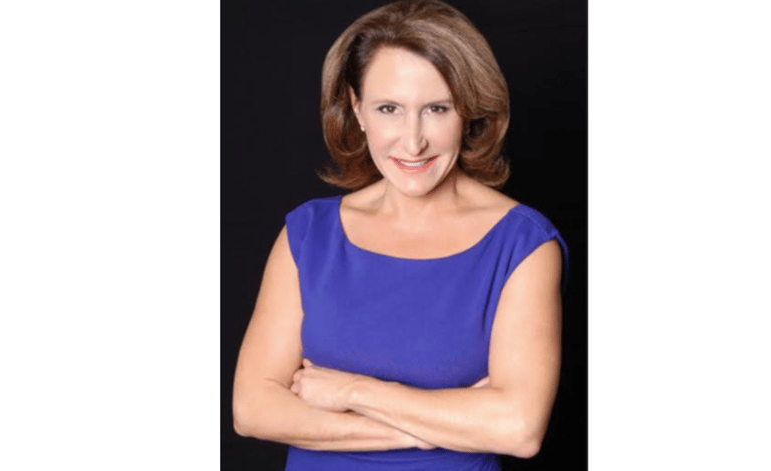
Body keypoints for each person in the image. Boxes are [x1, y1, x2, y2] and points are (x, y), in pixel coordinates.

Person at [232, 1, 568, 470]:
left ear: (468, 111)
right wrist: (431, 429)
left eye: (437, 109)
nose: (413, 142)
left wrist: (351, 391)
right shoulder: (309, 235)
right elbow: (252, 409)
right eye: (389, 108)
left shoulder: (523, 244)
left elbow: (519, 428)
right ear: (357, 108)